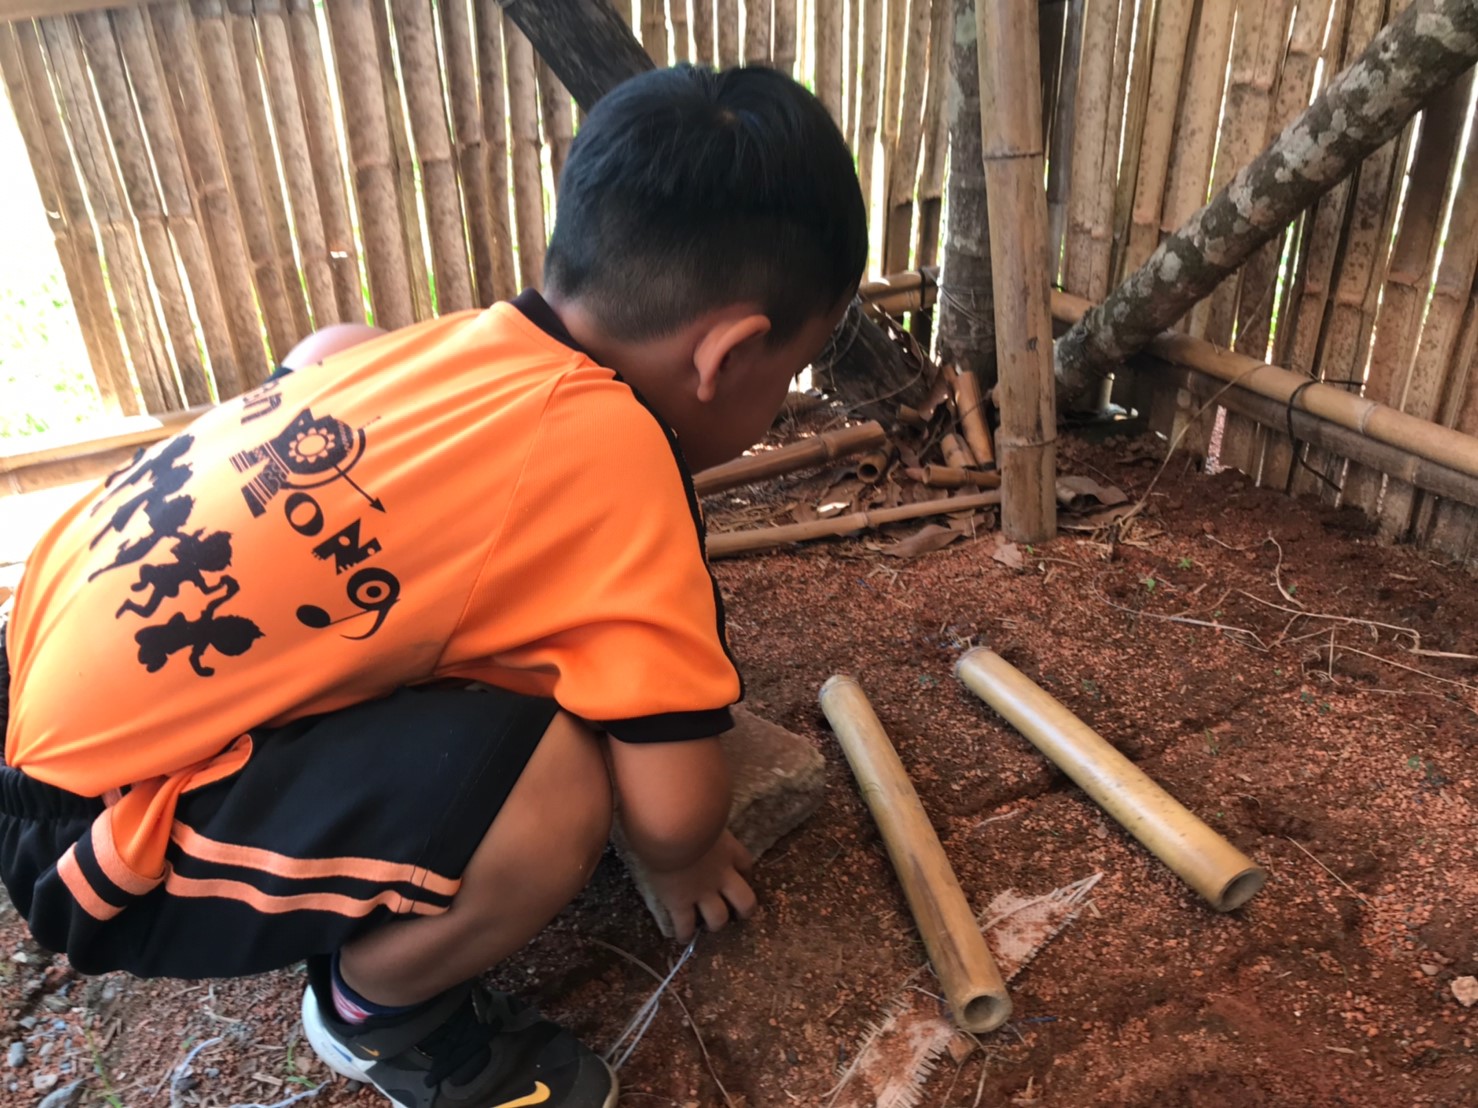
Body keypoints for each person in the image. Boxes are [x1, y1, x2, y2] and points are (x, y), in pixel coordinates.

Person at [0, 64, 867, 1108]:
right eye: (792, 371)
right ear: (728, 353)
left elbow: (324, 364)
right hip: (97, 839)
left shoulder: (457, 346)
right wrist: (682, 859)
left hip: (45, 659)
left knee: (335, 353)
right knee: (557, 789)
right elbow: (675, 807)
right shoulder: (619, 462)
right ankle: (378, 1010)